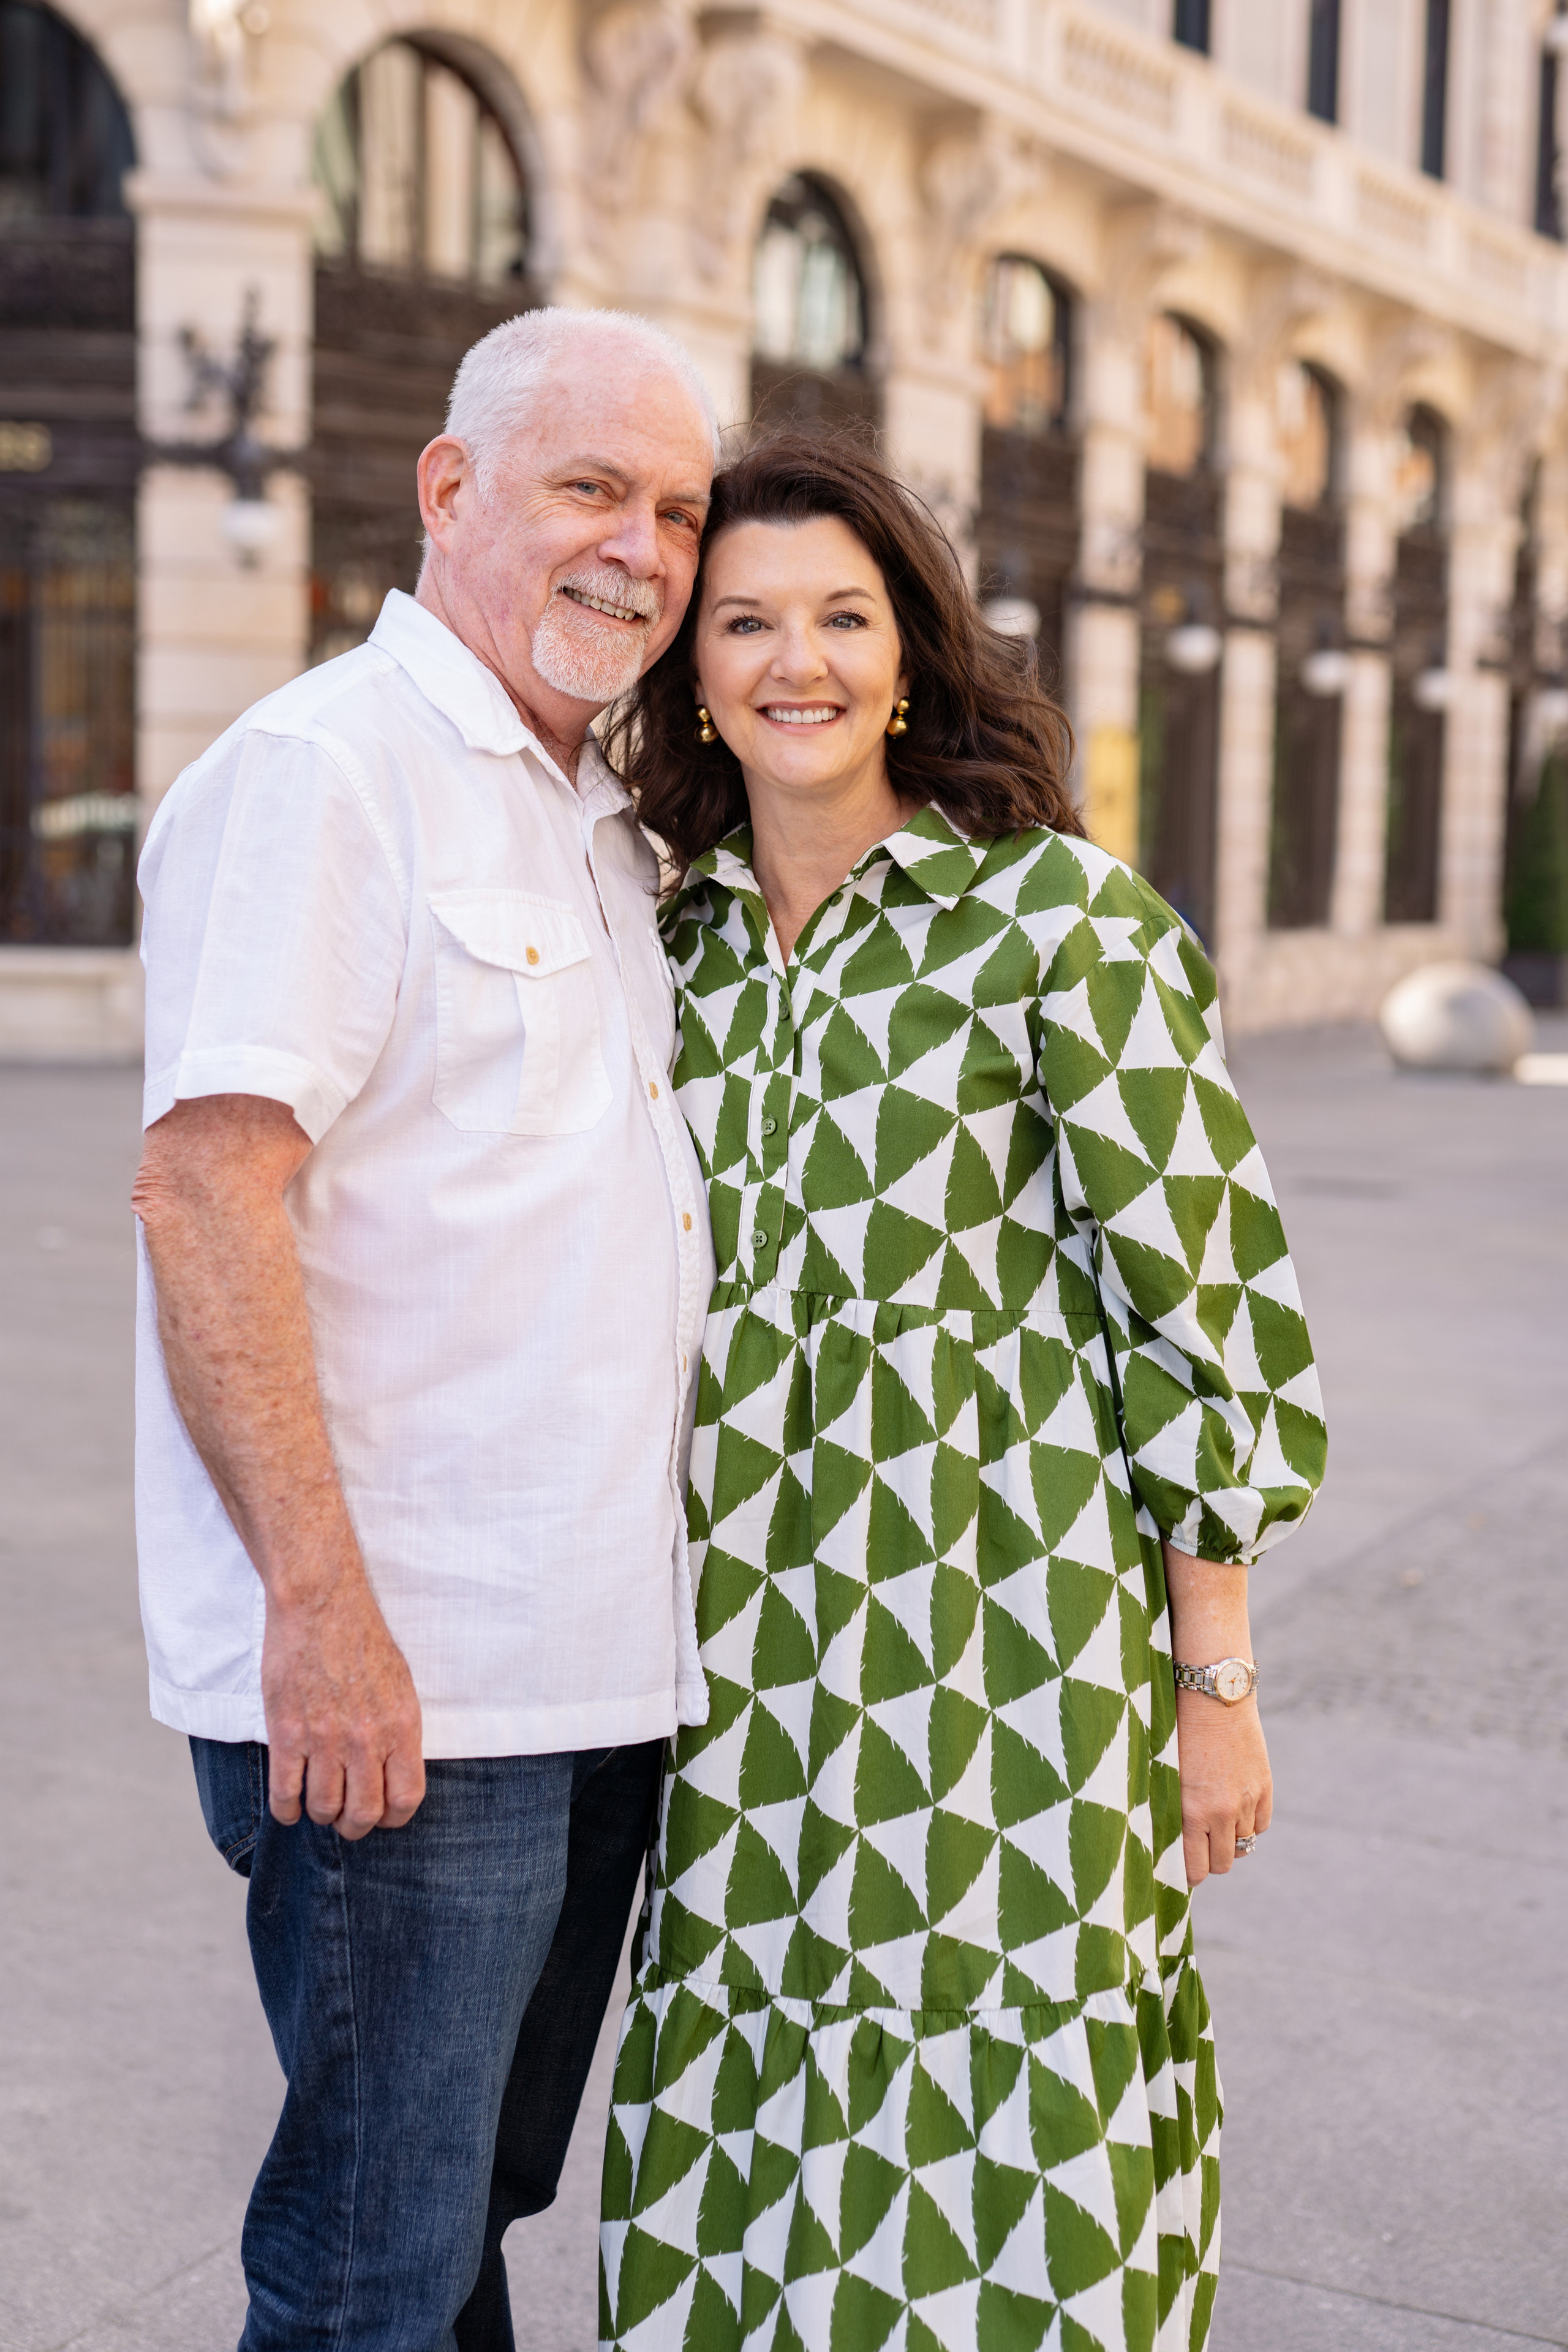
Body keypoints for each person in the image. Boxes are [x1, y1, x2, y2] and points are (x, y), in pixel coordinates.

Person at [597, 432, 1327, 2352]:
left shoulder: (1061, 926)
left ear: (910, 649)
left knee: (1008, 2132)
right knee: (753, 2103)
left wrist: (1215, 1679)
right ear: (692, 666)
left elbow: (1206, 1309)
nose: (795, 661)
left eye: (841, 614)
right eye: (745, 621)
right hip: (738, 1666)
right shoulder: (664, 952)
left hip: (1007, 1656)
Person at [130, 307, 720, 2350]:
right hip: (406, 1691)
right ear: (450, 491)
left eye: (676, 507)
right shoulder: (326, 773)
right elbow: (205, 1191)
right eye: (589, 487)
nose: (641, 547)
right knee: (374, 2258)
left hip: (592, 1675)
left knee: (469, 2204)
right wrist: (322, 1613)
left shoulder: (598, 821)